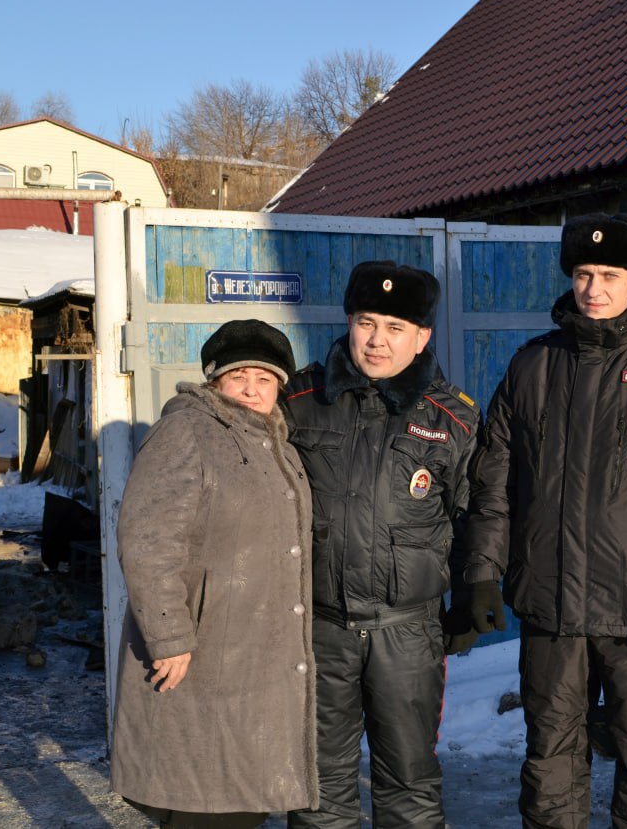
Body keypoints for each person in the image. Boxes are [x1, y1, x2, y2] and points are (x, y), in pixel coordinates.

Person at [461, 212, 627, 828]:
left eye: (609, 274)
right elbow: (494, 484)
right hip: (550, 608)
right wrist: (479, 574)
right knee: (549, 763)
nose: (593, 288)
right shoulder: (531, 368)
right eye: (582, 273)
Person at [283, 260, 481, 829]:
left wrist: (473, 589)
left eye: (396, 328)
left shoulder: (452, 419)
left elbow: (479, 514)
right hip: (318, 629)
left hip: (408, 631)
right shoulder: (299, 401)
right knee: (319, 789)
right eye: (368, 322)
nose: (377, 340)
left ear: (421, 338)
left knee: (410, 787)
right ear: (349, 321)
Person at [110, 319, 315, 829]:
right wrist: (169, 635)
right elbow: (148, 536)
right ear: (214, 381)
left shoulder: (276, 445)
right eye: (239, 375)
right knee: (207, 799)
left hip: (255, 659)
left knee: (237, 797)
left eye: (264, 379)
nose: (252, 388)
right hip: (203, 658)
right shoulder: (188, 431)